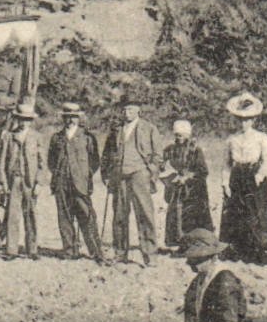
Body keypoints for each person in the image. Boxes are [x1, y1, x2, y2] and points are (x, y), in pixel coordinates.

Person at [101, 95, 163, 267]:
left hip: (139, 175)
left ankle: (150, 255)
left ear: (138, 110)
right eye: (124, 109)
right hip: (120, 176)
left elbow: (158, 156)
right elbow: (106, 153)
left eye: (130, 109)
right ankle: (120, 253)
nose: (126, 112)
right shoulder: (116, 130)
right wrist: (106, 174)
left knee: (144, 215)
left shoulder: (149, 128)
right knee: (120, 215)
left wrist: (150, 172)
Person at [219, 92, 267, 265]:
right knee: (234, 214)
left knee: (257, 213)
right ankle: (237, 252)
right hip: (236, 177)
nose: (243, 123)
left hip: (253, 177)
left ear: (253, 120)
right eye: (240, 119)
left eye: (247, 119)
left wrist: (258, 178)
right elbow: (226, 163)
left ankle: (261, 254)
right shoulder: (231, 139)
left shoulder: (261, 138)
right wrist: (225, 182)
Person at [48, 102, 106, 263]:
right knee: (64, 218)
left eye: (73, 117)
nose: (70, 120)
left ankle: (96, 251)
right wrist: (59, 175)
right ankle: (70, 250)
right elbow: (51, 161)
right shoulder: (56, 137)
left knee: (87, 216)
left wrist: (84, 175)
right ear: (63, 118)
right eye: (67, 117)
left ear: (78, 118)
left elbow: (94, 161)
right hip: (61, 182)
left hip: (80, 183)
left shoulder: (87, 137)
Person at [0, 100, 42, 259]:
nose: (24, 122)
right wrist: (3, 180)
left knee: (30, 215)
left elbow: (42, 163)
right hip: (14, 179)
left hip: (30, 181)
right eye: (22, 119)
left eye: (27, 119)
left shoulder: (36, 137)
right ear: (17, 119)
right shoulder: (9, 137)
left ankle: (32, 249)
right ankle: (11, 250)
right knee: (12, 215)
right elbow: (2, 160)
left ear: (31, 121)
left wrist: (39, 183)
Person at [161, 119, 214, 249]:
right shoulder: (170, 149)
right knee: (175, 214)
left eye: (181, 135)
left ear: (187, 135)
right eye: (176, 135)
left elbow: (203, 171)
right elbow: (161, 165)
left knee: (190, 216)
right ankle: (177, 242)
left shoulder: (195, 150)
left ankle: (193, 243)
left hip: (193, 190)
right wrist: (168, 174)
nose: (178, 138)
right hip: (176, 188)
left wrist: (187, 177)